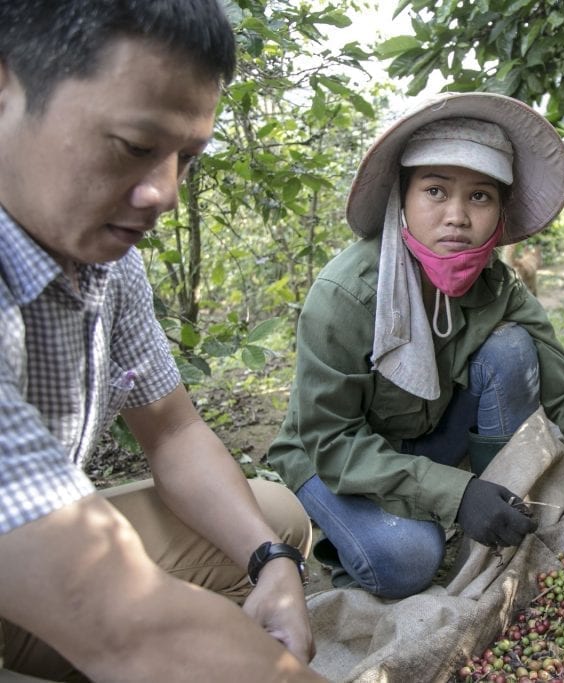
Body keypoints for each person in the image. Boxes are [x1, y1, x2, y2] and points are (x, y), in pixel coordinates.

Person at [0, 2, 328, 681]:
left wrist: (270, 561)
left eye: (188, 157)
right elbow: (130, 627)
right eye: (136, 146)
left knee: (274, 521)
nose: (165, 192)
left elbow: (173, 432)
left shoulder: (107, 262)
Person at [268, 92, 564, 600]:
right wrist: (456, 492)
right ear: (401, 198)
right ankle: (369, 522)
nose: (456, 216)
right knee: (408, 560)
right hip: (336, 458)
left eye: (479, 197)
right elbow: (333, 441)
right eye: (435, 191)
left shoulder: (498, 285)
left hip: (424, 436)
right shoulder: (346, 297)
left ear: (499, 212)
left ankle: (497, 501)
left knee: (513, 349)